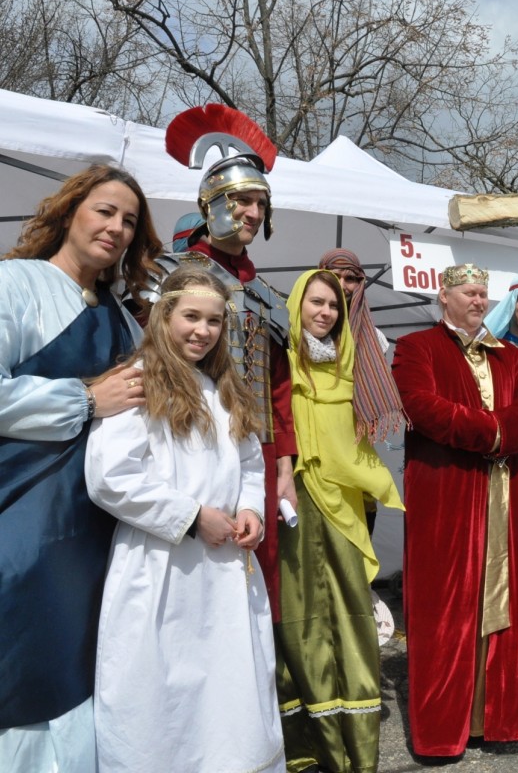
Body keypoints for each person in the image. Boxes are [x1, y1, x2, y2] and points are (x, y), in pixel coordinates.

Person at [85, 266, 283, 773]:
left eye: (214, 321)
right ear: (163, 315)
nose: (202, 330)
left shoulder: (223, 389)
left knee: (229, 690)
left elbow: (249, 463)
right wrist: (193, 517)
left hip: (224, 571)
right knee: (162, 689)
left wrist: (250, 510)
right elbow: (110, 476)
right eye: (191, 317)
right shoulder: (140, 380)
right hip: (162, 565)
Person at [0, 165, 161, 771]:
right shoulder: (14, 284)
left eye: (128, 221)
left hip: (95, 528)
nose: (116, 228)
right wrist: (86, 400)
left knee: (87, 663)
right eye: (104, 212)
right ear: (69, 213)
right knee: (24, 659)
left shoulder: (122, 318)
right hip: (21, 513)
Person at [391, 262, 518, 759]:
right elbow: (423, 407)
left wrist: (501, 431)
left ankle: (491, 721)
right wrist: (495, 433)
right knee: (445, 605)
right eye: (469, 293)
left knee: (497, 602)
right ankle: (442, 730)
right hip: (445, 493)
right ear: (445, 297)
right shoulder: (417, 348)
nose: (478, 301)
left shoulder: (509, 357)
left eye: (482, 294)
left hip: (499, 491)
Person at [162, 105, 297, 621]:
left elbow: (277, 390)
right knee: (192, 583)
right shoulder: (170, 275)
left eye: (261, 203)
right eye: (243, 200)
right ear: (213, 202)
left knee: (253, 585)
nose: (253, 213)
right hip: (187, 439)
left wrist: (283, 465)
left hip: (256, 453)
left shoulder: (265, 296)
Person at [276, 269, 404, 773]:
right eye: (317, 303)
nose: (326, 312)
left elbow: (364, 442)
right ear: (296, 306)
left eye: (333, 305)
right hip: (295, 502)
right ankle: (308, 747)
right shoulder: (280, 365)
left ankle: (355, 749)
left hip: (346, 508)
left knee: (351, 616)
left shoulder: (355, 370)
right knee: (301, 617)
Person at [319, 248, 407, 536]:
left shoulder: (376, 339)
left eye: (351, 278)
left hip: (357, 452)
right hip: (316, 449)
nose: (342, 285)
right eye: (334, 276)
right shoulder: (300, 329)